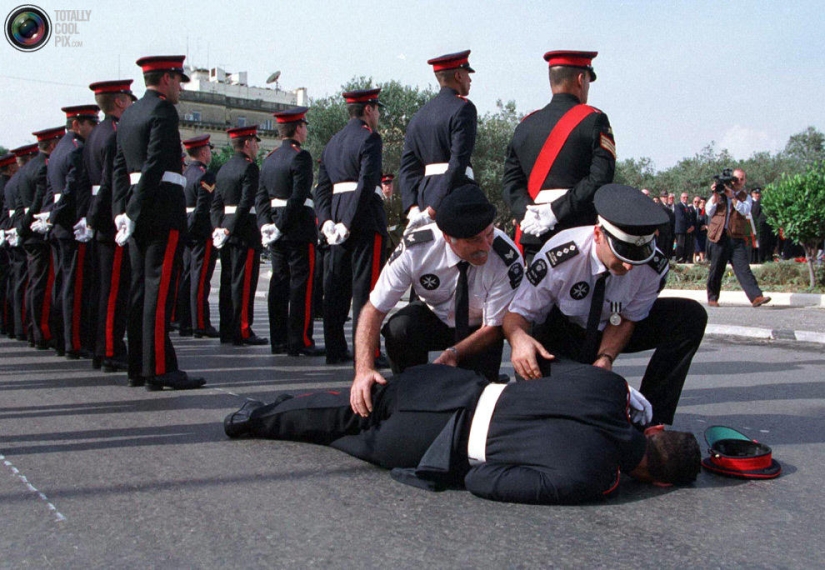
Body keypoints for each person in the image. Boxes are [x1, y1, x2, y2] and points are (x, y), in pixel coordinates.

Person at [223, 361, 701, 505]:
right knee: (340, 432)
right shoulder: (592, 477)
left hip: (454, 383)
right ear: (657, 480)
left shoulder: (608, 387)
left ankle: (262, 412)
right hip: (434, 442)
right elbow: (481, 481)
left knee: (352, 406)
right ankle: (256, 419)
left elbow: (542, 370)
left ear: (655, 427)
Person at [504, 184, 707, 426]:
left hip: (609, 328)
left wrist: (606, 357)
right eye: (623, 254)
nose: (630, 266)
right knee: (551, 383)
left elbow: (628, 318)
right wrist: (518, 340)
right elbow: (518, 314)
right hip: (563, 333)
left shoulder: (653, 267)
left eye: (638, 255)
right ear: (598, 235)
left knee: (690, 316)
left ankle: (652, 422)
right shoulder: (561, 256)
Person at [349, 184, 523, 416]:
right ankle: (409, 391)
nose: (485, 246)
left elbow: (493, 326)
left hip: (480, 332)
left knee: (476, 404)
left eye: (489, 233)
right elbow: (373, 310)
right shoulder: (416, 248)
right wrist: (363, 370)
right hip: (434, 318)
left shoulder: (505, 257)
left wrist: (454, 354)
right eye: (473, 240)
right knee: (399, 328)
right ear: (447, 238)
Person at [112, 55, 205, 390]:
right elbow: (153, 166)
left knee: (140, 290)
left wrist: (121, 213)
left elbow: (119, 170)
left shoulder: (129, 115)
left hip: (136, 213)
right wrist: (133, 211)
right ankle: (160, 368)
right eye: (178, 80)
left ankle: (138, 366)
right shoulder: (163, 111)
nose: (180, 87)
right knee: (159, 292)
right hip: (161, 210)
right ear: (166, 79)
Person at [502, 50, 615, 262]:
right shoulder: (594, 120)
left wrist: (527, 213)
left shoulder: (526, 124)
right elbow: (600, 179)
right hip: (577, 234)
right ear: (581, 80)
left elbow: (510, 183)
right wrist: (554, 212)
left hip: (534, 235)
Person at [314, 88, 388, 365]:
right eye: (377, 109)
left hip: (335, 221)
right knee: (366, 291)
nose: (378, 115)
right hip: (364, 220)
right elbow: (367, 184)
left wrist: (327, 222)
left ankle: (335, 348)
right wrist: (348, 221)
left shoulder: (332, 143)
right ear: (368, 110)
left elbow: (321, 189)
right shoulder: (369, 138)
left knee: (336, 288)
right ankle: (366, 352)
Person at [256, 106, 323, 357]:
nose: (306, 131)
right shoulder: (300, 157)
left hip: (275, 228)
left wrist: (266, 225)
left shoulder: (270, 158)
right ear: (297, 129)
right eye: (304, 126)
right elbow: (298, 196)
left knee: (279, 282)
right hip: (297, 228)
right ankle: (301, 340)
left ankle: (279, 340)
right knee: (301, 285)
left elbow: (261, 197)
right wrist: (281, 225)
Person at [85, 80, 136, 373]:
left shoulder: (95, 134)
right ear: (119, 102)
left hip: (98, 219)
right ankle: (110, 349)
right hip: (108, 219)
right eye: (128, 100)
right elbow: (109, 183)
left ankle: (100, 347)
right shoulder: (114, 135)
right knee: (114, 290)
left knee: (103, 288)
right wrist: (99, 217)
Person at [399, 50, 477, 232]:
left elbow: (407, 168)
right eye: (467, 74)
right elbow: (458, 162)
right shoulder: (463, 108)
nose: (470, 80)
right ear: (458, 75)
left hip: (424, 197)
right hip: (455, 195)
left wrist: (413, 209)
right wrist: (433, 210)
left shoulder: (419, 116)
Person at [46, 105, 100, 360]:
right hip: (71, 224)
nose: (94, 129)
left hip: (60, 226)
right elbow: (70, 191)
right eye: (91, 123)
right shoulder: (77, 151)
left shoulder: (58, 151)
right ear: (77, 124)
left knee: (61, 283)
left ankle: (61, 338)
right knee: (75, 286)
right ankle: (74, 341)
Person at [211, 125, 268, 347]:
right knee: (244, 284)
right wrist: (229, 228)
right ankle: (243, 329)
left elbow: (215, 204)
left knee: (228, 282)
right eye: (255, 142)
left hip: (227, 233)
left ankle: (227, 328)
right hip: (244, 232)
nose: (256, 147)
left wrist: (219, 228)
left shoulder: (223, 169)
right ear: (247, 143)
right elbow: (246, 202)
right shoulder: (250, 169)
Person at [16, 126, 65, 351]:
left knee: (33, 283)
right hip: (36, 230)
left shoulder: (25, 170)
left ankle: (34, 329)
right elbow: (38, 203)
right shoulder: (43, 167)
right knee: (43, 286)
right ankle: (43, 331)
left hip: (28, 231)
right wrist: (26, 227)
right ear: (53, 145)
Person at [706, 168, 771, 308]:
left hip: (736, 238)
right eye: (736, 179)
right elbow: (708, 211)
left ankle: (756, 297)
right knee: (717, 268)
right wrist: (715, 196)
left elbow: (745, 210)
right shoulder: (720, 192)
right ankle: (712, 298)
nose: (739, 182)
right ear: (731, 179)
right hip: (719, 237)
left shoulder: (745, 196)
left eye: (742, 179)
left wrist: (733, 197)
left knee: (743, 268)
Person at [180, 134, 219, 339]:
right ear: (203, 152)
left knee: (187, 276)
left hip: (186, 229)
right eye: (209, 150)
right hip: (201, 231)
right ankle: (200, 323)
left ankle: (185, 321)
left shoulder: (186, 174)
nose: (210, 153)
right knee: (200, 279)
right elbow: (204, 207)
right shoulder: (205, 176)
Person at [2, 144, 38, 341]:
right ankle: (22, 325)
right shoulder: (18, 180)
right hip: (23, 227)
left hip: (13, 227)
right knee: (24, 281)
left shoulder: (11, 183)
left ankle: (17, 325)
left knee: (17, 280)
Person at [673, 192, 696, 263]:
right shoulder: (678, 206)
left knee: (687, 246)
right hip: (681, 230)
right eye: (684, 197)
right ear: (680, 198)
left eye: (687, 197)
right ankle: (679, 260)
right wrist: (687, 228)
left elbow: (690, 218)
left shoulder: (688, 207)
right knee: (680, 246)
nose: (685, 199)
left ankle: (685, 259)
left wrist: (692, 226)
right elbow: (681, 218)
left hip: (687, 230)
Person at [694, 197, 708, 263]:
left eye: (704, 202)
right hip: (697, 232)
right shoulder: (696, 211)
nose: (702, 204)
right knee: (696, 248)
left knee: (703, 248)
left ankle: (702, 260)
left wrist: (706, 226)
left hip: (705, 232)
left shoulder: (707, 212)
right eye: (701, 202)